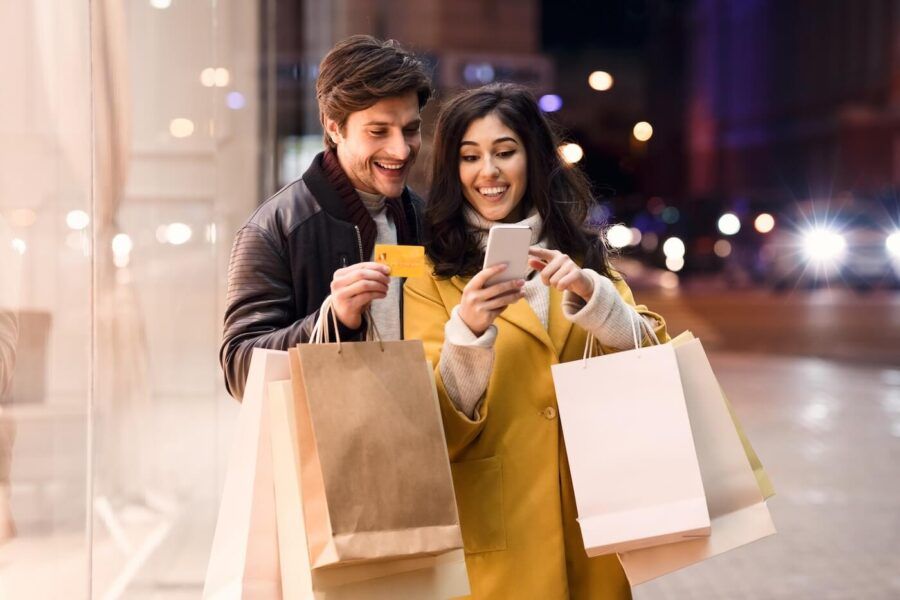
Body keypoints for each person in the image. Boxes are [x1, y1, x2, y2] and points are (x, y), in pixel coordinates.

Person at [403, 83, 669, 599]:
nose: (489, 173)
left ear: (534, 158)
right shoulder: (429, 276)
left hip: (590, 533)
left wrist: (596, 301)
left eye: (505, 152)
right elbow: (428, 432)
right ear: (452, 171)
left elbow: (653, 375)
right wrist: (468, 333)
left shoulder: (585, 261)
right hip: (496, 541)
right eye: (470, 157)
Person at [220, 35, 432, 399]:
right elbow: (239, 370)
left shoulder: (424, 217)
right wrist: (332, 319)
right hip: (320, 447)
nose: (400, 150)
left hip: (416, 440)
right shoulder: (275, 228)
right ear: (334, 126)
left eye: (410, 130)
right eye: (378, 132)